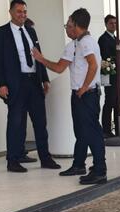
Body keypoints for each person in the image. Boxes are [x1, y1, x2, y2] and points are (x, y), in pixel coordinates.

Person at [32, 8, 107, 185]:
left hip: (86, 94)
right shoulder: (75, 44)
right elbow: (59, 68)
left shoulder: (86, 43)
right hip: (80, 95)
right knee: (81, 132)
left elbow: (93, 66)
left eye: (69, 24)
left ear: (76, 26)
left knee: (92, 133)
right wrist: (42, 60)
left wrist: (84, 87)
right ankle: (79, 164)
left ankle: (99, 170)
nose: (66, 28)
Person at [0, 0, 60, 173]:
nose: (22, 15)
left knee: (40, 122)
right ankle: (13, 160)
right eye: (19, 11)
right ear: (10, 12)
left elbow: (39, 56)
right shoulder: (1, 33)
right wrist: (1, 84)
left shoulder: (31, 31)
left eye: (24, 11)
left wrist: (45, 78)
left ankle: (45, 158)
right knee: (16, 122)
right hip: (16, 83)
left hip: (34, 82)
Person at [98, 14, 120, 138]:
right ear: (106, 24)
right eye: (111, 23)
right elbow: (105, 57)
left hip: (119, 76)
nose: (114, 25)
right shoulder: (103, 39)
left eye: (115, 23)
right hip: (111, 76)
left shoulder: (116, 39)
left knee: (119, 103)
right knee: (110, 102)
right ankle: (106, 130)